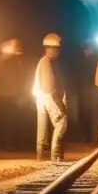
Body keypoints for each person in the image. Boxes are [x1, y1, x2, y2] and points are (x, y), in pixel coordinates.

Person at [0, 38, 27, 151]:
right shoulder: (3, 62)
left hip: (10, 96)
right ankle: (8, 144)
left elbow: (20, 79)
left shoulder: (10, 62)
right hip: (7, 96)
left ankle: (9, 144)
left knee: (11, 121)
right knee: (9, 121)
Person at [33, 33, 69, 161]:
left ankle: (41, 155)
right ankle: (56, 155)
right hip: (49, 96)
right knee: (61, 122)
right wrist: (60, 103)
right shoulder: (47, 62)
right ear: (53, 48)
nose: (59, 51)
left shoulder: (43, 61)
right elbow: (49, 86)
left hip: (40, 96)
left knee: (42, 126)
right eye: (58, 48)